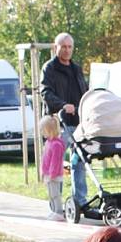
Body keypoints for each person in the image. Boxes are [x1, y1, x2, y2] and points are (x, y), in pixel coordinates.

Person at [40, 33, 88, 211]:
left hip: (78, 123)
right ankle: (56, 204)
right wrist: (62, 105)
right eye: (63, 47)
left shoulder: (76, 68)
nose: (67, 50)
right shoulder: (49, 68)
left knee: (80, 161)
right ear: (56, 48)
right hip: (59, 123)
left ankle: (80, 201)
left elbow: (84, 90)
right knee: (56, 164)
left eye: (70, 47)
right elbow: (45, 92)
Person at [40, 114, 66, 221]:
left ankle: (59, 212)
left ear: (48, 130)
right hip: (48, 174)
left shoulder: (56, 145)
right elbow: (45, 159)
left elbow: (55, 162)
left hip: (54, 175)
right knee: (51, 194)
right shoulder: (48, 143)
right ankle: (54, 211)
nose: (42, 132)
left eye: (43, 130)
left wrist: (52, 174)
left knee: (55, 194)